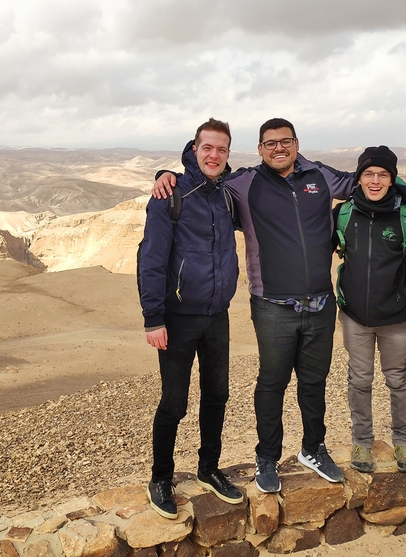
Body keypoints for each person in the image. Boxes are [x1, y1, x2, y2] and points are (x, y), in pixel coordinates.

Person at [153, 118, 406, 492]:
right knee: (272, 383)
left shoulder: (320, 176)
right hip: (272, 305)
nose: (278, 148)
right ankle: (267, 457)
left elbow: (370, 179)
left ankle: (313, 449)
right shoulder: (244, 183)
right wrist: (167, 175)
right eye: (270, 143)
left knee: (314, 383)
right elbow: (206, 178)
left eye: (285, 141)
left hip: (320, 303)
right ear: (259, 149)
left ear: (297, 144)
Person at [138, 118, 244, 519]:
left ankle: (208, 468)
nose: (214, 155)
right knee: (174, 403)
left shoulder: (228, 195)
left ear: (228, 153)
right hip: (179, 317)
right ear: (194, 149)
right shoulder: (170, 195)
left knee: (217, 396)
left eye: (221, 149)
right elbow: (151, 259)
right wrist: (153, 318)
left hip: (217, 315)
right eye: (207, 148)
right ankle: (160, 478)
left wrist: (403, 191)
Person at [332, 146, 406, 473]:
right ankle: (362, 442)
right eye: (368, 174)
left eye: (383, 175)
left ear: (392, 179)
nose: (375, 181)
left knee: (398, 382)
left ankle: (403, 443)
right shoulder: (343, 214)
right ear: (359, 178)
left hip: (398, 319)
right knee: (359, 381)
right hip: (355, 318)